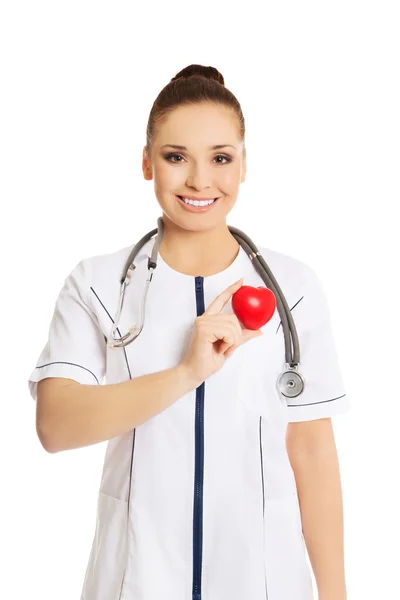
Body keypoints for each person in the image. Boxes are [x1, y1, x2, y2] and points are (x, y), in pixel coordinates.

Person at [28, 64, 350, 600]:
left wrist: (335, 595)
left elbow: (313, 450)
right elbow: (55, 428)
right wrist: (186, 372)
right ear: (147, 163)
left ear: (244, 165)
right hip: (136, 579)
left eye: (221, 158)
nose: (200, 180)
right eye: (176, 157)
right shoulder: (100, 284)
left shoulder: (292, 287)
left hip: (262, 580)